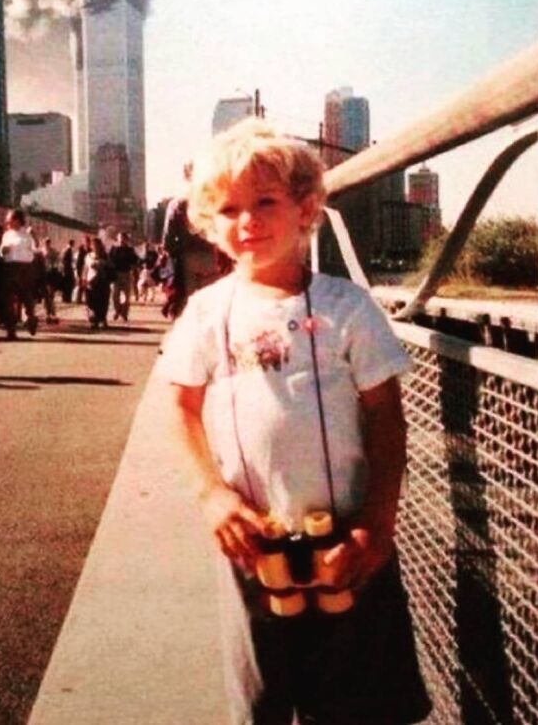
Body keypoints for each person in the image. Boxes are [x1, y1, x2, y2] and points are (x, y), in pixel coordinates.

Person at [157, 119, 431, 725]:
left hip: (348, 536)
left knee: (360, 696)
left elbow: (386, 418)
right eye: (227, 209)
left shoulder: (346, 307)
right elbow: (181, 406)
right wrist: (211, 496)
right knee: (263, 696)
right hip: (253, 540)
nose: (246, 220)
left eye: (265, 202)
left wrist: (377, 523)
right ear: (208, 223)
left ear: (307, 208)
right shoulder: (205, 313)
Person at [162, 164, 231, 318]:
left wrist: (173, 251)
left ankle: (193, 336)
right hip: (212, 256)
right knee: (212, 301)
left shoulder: (177, 203)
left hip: (187, 258)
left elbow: (168, 237)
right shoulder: (213, 200)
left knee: (190, 303)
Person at [0, 209, 39, 341]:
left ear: (17, 220)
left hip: (25, 268)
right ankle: (11, 330)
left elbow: (36, 248)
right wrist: (3, 251)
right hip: (10, 268)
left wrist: (34, 236)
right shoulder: (7, 234)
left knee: (27, 298)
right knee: (10, 301)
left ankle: (30, 320)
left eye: (10, 219)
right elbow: (2, 250)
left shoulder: (27, 234)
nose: (7, 222)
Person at [83, 237, 114, 329]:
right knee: (91, 302)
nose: (95, 247)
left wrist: (102, 263)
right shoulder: (88, 256)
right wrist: (83, 279)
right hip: (91, 282)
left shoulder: (106, 256)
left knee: (103, 301)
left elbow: (111, 266)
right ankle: (94, 320)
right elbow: (85, 269)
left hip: (103, 282)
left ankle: (102, 319)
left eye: (97, 245)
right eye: (94, 245)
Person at [109, 232, 139, 322]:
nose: (122, 240)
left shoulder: (130, 250)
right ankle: (117, 310)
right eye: (120, 238)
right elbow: (109, 261)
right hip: (116, 275)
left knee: (127, 297)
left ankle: (124, 313)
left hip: (126, 274)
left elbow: (135, 261)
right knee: (115, 296)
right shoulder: (113, 249)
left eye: (123, 238)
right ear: (117, 239)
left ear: (126, 240)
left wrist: (135, 272)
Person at [41, 237, 61, 324]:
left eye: (48, 242)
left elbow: (57, 262)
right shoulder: (41, 251)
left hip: (51, 274)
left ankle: (51, 313)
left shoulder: (53, 251)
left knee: (50, 295)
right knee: (46, 295)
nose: (47, 244)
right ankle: (48, 313)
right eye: (46, 242)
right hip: (44, 274)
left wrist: (54, 266)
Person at [61, 239, 76, 303]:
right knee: (69, 284)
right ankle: (67, 298)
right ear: (72, 243)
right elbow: (68, 261)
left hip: (65, 269)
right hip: (68, 270)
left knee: (66, 284)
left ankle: (65, 298)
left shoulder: (65, 249)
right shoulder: (69, 250)